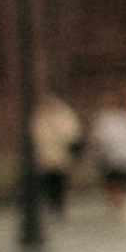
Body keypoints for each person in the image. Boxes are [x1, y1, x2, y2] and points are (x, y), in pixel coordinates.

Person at [88, 92, 126, 225]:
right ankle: (120, 210)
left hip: (120, 158)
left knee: (119, 187)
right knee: (115, 188)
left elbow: (106, 139)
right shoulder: (110, 118)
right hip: (115, 158)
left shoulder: (119, 119)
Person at [29, 91, 82, 220]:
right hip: (45, 157)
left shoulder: (63, 115)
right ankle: (51, 207)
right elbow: (36, 135)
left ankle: (59, 206)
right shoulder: (39, 117)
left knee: (59, 182)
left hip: (60, 157)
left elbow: (72, 134)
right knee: (47, 183)